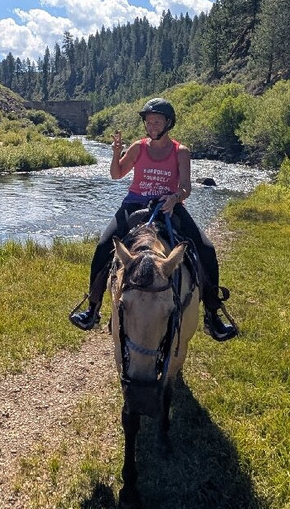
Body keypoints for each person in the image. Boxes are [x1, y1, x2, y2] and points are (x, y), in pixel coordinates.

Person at [69, 97, 234, 342]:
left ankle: (212, 314)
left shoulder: (181, 151)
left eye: (157, 120)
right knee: (104, 246)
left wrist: (175, 197)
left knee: (207, 249)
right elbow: (116, 175)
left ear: (168, 123)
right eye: (148, 121)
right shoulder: (138, 147)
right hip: (134, 203)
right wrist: (116, 153)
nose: (152, 125)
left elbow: (186, 187)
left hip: (168, 205)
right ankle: (92, 309)